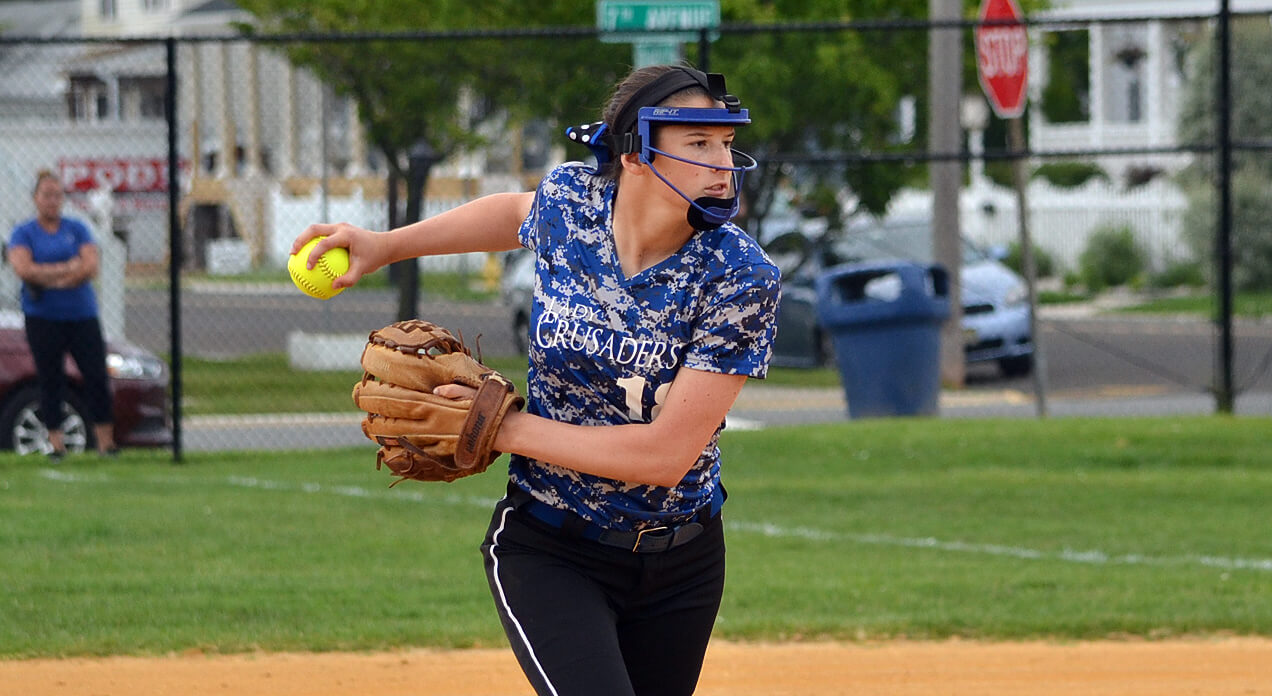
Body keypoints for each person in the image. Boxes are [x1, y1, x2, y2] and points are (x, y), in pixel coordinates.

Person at [293, 64, 779, 696]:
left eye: (725, 143)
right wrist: (386, 245)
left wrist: (503, 428)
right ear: (634, 154)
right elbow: (513, 214)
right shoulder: (574, 203)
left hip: (683, 561)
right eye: (698, 143)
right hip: (552, 546)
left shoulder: (740, 277)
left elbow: (663, 456)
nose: (722, 162)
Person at [7, 170, 118, 459]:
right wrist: (66, 269)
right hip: (43, 318)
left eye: (57, 195)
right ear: (35, 198)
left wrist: (50, 276)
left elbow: (89, 267)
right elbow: (24, 269)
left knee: (95, 375)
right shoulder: (23, 233)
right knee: (50, 378)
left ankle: (106, 443)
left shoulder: (78, 229)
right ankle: (56, 443)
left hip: (81, 316)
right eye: (46, 194)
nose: (52, 201)